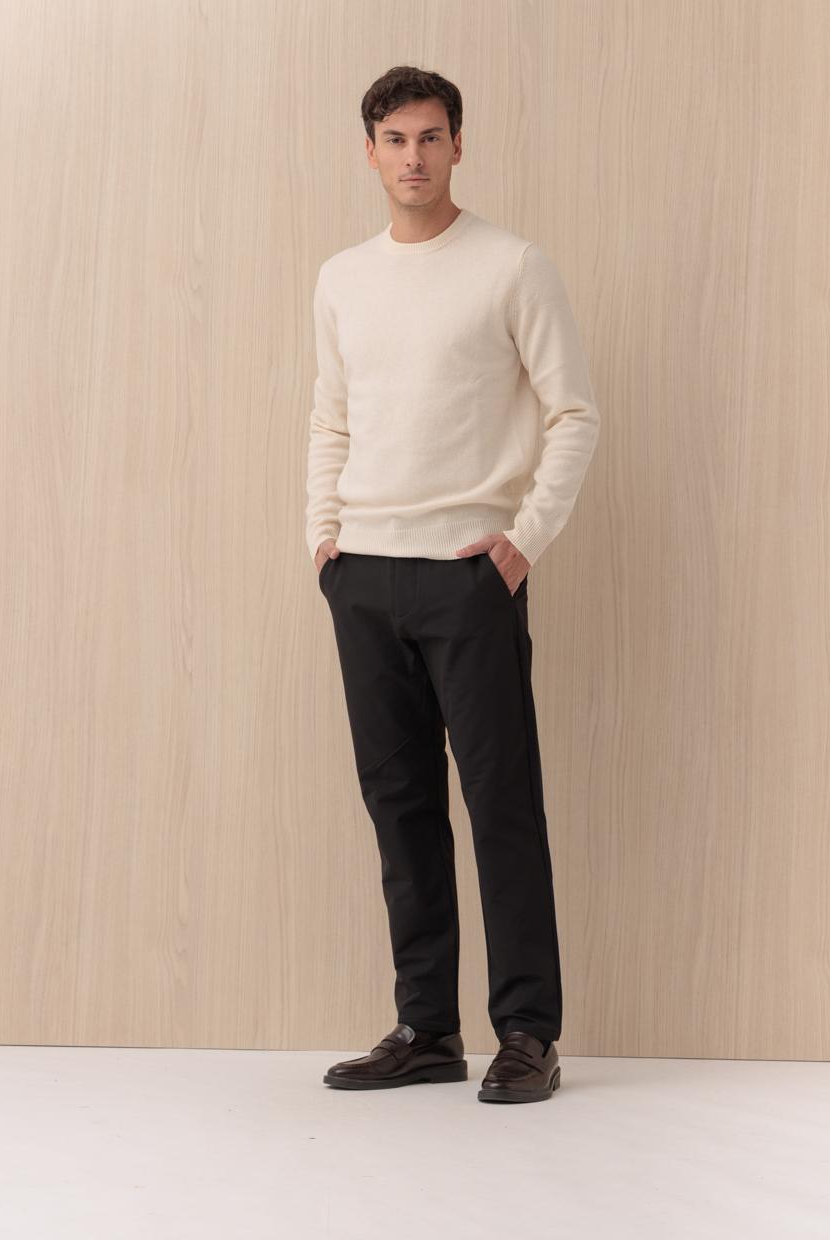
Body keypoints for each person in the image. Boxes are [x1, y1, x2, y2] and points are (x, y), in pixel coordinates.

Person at [308, 65, 600, 1103]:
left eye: (430, 137)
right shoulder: (342, 279)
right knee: (399, 807)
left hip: (470, 576)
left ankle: (527, 1032)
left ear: (458, 145)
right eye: (395, 139)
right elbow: (330, 416)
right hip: (364, 574)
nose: (413, 157)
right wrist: (324, 539)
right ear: (369, 151)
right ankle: (425, 1027)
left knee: (500, 803)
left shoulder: (511, 266)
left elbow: (574, 413)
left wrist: (522, 541)